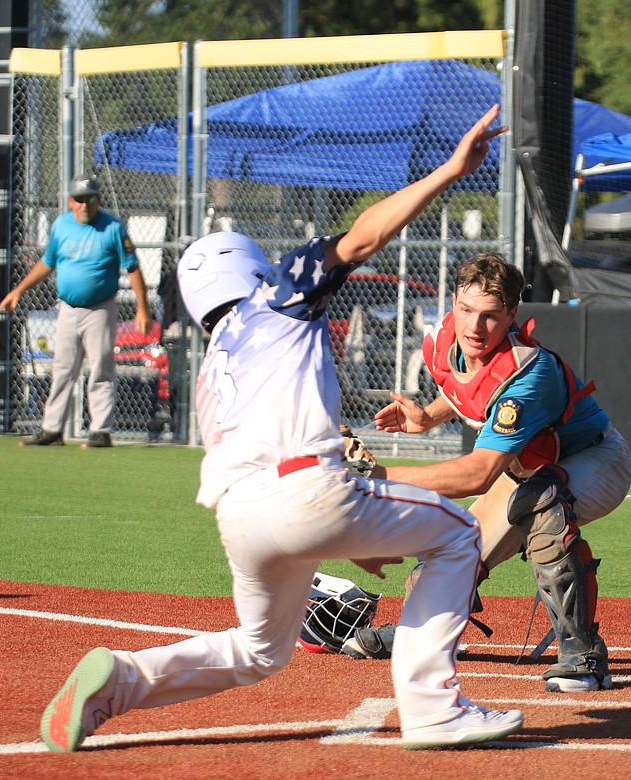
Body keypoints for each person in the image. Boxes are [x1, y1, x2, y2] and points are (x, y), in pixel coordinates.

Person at [39, 105, 524, 752]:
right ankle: (434, 709)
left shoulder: (215, 364)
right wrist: (450, 170)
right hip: (307, 491)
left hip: (241, 518)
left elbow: (272, 465)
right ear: (248, 268)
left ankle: (123, 680)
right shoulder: (276, 298)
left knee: (260, 651)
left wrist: (350, 531)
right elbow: (362, 239)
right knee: (461, 532)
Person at [347, 253, 631, 694]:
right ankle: (422, 633)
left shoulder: (528, 372)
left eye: (490, 317)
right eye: (465, 310)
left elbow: (478, 474)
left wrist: (377, 475)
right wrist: (427, 417)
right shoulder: (449, 337)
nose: (474, 327)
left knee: (540, 505)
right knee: (454, 545)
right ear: (454, 301)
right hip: (529, 467)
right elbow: (469, 389)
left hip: (597, 461)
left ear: (512, 315)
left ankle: (583, 653)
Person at [0, 175, 152, 448]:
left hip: (100, 309)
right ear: (70, 201)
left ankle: (100, 431)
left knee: (100, 368)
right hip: (68, 308)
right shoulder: (62, 226)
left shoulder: (113, 228)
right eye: (79, 200)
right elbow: (47, 263)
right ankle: (52, 429)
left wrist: (142, 308)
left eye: (91, 199)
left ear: (99, 200)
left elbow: (133, 267)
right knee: (62, 368)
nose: (85, 205)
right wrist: (18, 290)